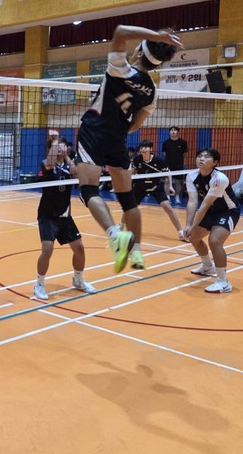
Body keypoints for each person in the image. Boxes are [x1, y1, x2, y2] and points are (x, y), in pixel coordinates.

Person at [75, 25, 183, 274]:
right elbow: (135, 125)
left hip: (94, 131)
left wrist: (157, 36)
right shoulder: (152, 92)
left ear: (140, 51)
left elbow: (121, 30)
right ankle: (136, 252)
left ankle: (116, 236)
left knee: (89, 190)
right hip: (118, 139)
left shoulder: (119, 68)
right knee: (128, 200)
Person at [34, 131, 96, 300]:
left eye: (63, 145)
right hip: (48, 215)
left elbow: (76, 174)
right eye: (57, 146)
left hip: (65, 215)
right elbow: (50, 162)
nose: (62, 147)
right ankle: (39, 283)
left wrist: (67, 156)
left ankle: (78, 280)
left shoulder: (68, 165)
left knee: (79, 248)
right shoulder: (46, 164)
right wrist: (55, 140)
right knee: (47, 249)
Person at [184, 148, 240, 293]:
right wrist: (188, 225)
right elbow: (192, 202)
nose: (201, 159)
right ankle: (208, 266)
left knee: (215, 241)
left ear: (215, 162)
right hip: (210, 211)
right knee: (193, 237)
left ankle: (223, 282)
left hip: (228, 211)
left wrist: (193, 225)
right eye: (199, 156)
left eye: (206, 157)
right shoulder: (191, 176)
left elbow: (205, 204)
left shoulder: (219, 178)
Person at [129, 140, 185, 241]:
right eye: (142, 148)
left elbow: (168, 172)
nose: (143, 149)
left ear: (151, 149)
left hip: (156, 187)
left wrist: (170, 186)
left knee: (168, 207)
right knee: (130, 207)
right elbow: (133, 172)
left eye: (146, 147)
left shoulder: (158, 160)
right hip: (140, 187)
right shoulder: (137, 159)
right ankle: (121, 226)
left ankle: (180, 231)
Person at [162, 126, 188, 204]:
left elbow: (185, 154)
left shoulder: (183, 142)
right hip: (168, 164)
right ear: (169, 132)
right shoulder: (166, 142)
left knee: (178, 181)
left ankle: (177, 197)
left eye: (175, 130)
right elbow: (164, 153)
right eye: (171, 130)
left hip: (178, 164)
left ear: (178, 132)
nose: (173, 132)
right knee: (167, 180)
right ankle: (167, 197)